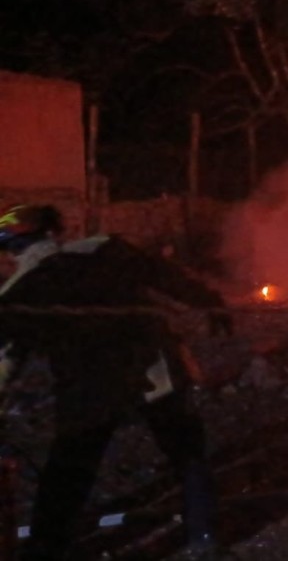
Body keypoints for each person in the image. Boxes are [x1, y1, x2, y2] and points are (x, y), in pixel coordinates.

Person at [0, 204, 230, 560]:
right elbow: (166, 276)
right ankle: (204, 535)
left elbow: (7, 355)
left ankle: (46, 550)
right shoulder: (106, 248)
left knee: (68, 471)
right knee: (186, 453)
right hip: (153, 370)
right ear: (54, 233)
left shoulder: (22, 290)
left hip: (90, 387)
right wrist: (211, 303)